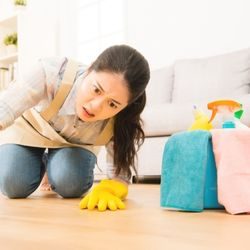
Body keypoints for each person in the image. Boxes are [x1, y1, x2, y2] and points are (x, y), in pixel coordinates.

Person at [0, 44, 150, 211]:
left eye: (112, 104)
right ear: (89, 69)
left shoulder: (123, 118)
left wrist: (110, 189)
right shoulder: (51, 72)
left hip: (74, 145)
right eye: (96, 90)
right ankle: (43, 163)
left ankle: (54, 167)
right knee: (12, 184)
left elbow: (119, 173)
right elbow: (6, 107)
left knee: (70, 184)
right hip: (30, 130)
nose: (95, 107)